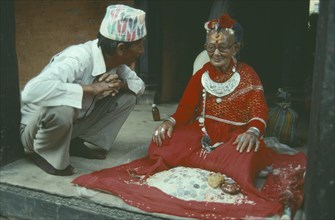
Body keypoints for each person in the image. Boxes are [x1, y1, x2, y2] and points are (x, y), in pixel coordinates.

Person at [73, 14, 306, 219]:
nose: (215, 53)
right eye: (210, 47)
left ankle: (214, 161)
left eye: (223, 48)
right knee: (161, 143)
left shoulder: (248, 75)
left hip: (235, 137)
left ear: (236, 48)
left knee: (243, 156)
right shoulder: (202, 74)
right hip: (203, 133)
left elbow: (259, 112)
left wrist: (253, 131)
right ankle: (210, 162)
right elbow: (185, 110)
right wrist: (170, 122)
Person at [20, 4, 147, 176]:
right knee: (62, 106)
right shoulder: (78, 58)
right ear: (121, 48)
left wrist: (119, 84)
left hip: (71, 126)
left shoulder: (115, 63)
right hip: (35, 131)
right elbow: (31, 91)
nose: (142, 51)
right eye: (139, 45)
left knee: (127, 97)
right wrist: (91, 88)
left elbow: (139, 85)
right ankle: (45, 153)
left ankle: (73, 143)